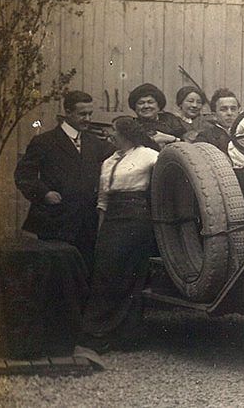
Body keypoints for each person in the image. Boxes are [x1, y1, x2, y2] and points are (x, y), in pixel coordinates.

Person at [80, 116, 160, 353]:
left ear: (125, 133)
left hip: (136, 218)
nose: (109, 135)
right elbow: (103, 200)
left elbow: (164, 181)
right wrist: (101, 229)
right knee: (104, 272)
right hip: (112, 219)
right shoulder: (108, 161)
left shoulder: (148, 155)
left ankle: (126, 333)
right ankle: (101, 330)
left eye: (113, 130)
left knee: (127, 273)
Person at [14, 90, 115, 273]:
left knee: (83, 272)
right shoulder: (44, 141)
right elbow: (23, 174)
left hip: (86, 222)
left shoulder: (95, 143)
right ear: (68, 112)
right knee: (56, 273)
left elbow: (123, 152)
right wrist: (44, 194)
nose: (87, 119)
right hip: (55, 220)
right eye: (82, 114)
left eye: (90, 114)